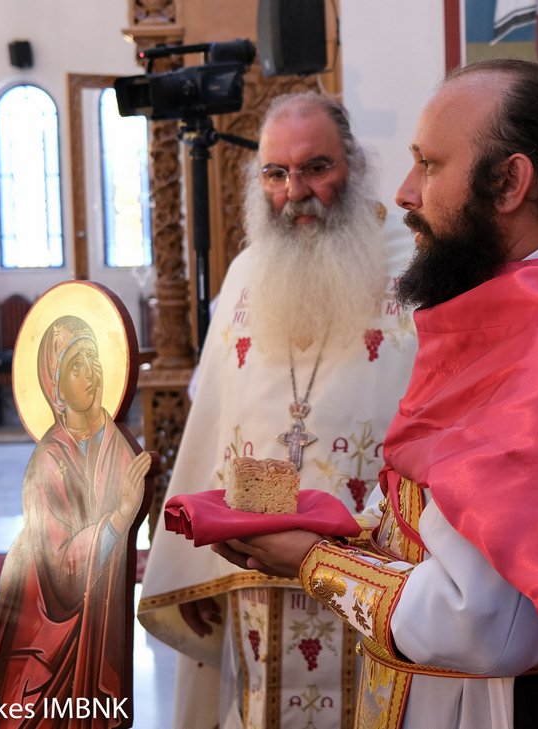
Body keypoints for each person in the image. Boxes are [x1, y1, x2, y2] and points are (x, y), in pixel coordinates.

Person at [212, 59, 538, 729]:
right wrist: (342, 529)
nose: (405, 192)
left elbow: (488, 623)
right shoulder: (505, 306)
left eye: (429, 165)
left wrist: (314, 560)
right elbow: (443, 513)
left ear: (510, 182)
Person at [137, 92, 419, 729]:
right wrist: (196, 568)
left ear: (353, 164)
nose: (295, 191)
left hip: (373, 576)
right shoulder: (245, 274)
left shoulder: (415, 271)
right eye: (275, 173)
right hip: (256, 573)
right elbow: (214, 424)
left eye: (316, 167)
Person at [0, 315, 151, 726]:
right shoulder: (49, 460)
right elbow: (61, 572)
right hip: (44, 626)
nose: (91, 373)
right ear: (55, 388)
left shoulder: (117, 447)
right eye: (75, 365)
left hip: (98, 621)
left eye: (93, 359)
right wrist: (117, 519)